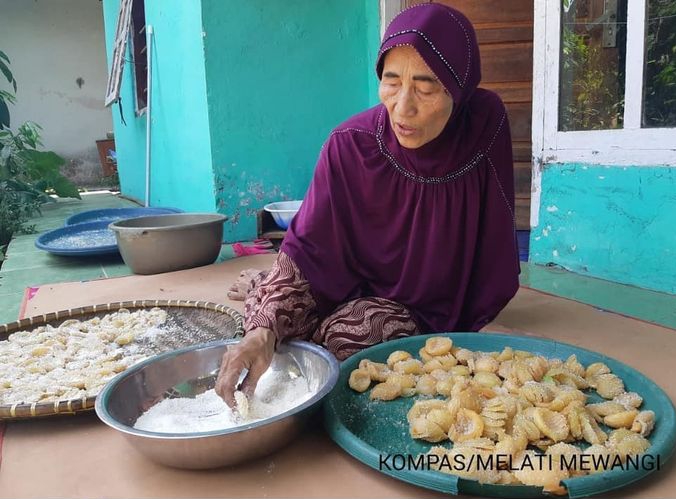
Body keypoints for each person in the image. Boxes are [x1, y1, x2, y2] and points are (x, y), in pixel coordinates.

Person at [215, 3, 520, 407]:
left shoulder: (483, 123)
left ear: (460, 89)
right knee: (271, 321)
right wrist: (262, 332)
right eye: (391, 82)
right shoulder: (351, 144)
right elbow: (308, 249)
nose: (403, 107)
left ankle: (268, 289)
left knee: (345, 340)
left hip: (423, 301)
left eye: (427, 88)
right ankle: (267, 293)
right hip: (342, 276)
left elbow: (492, 223)